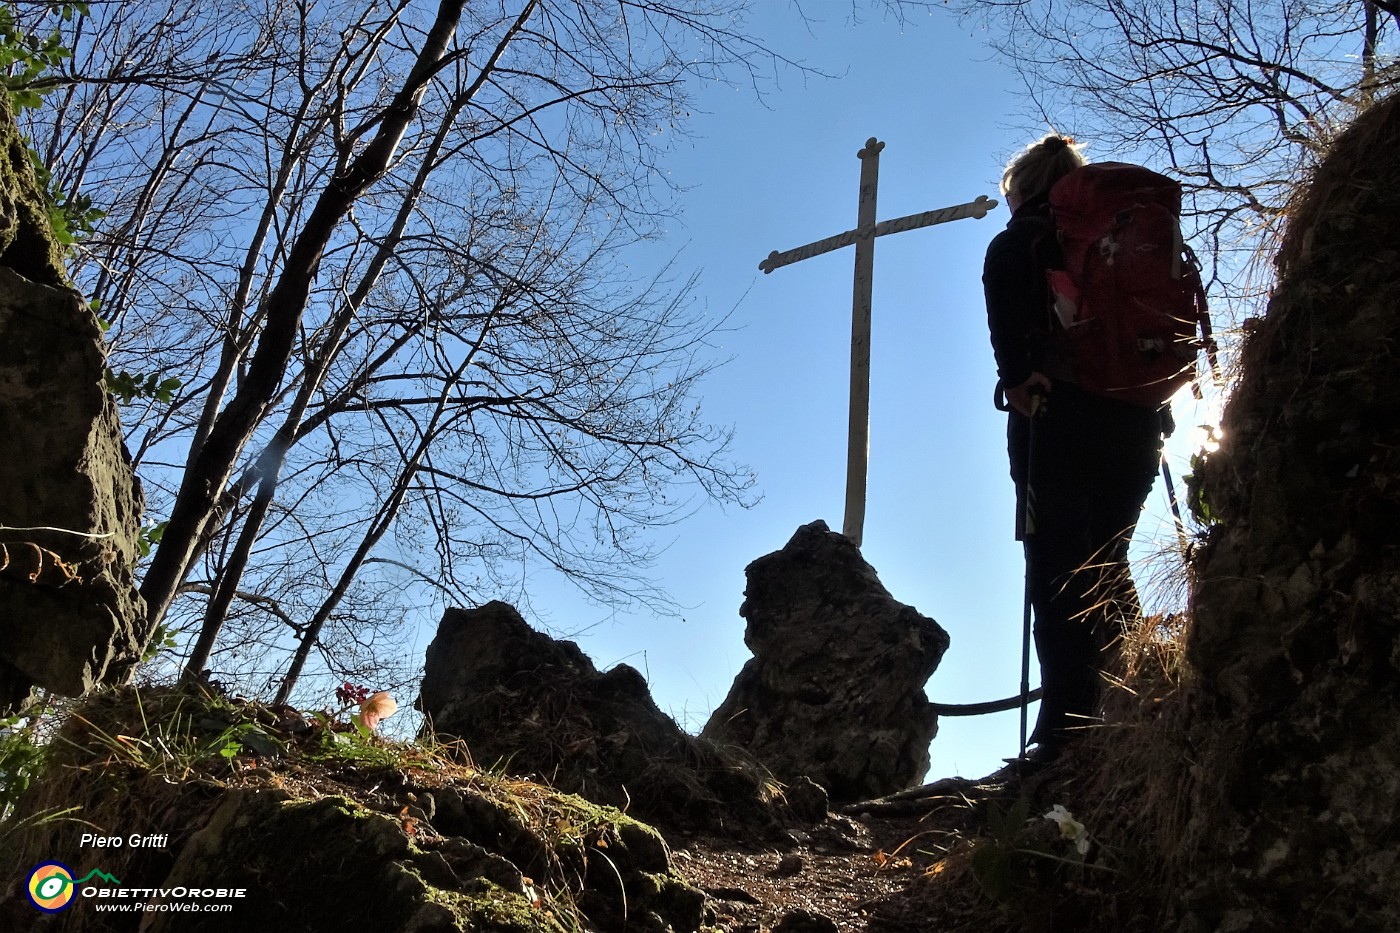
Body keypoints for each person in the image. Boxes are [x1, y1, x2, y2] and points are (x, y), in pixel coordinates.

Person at [983, 134, 1166, 762]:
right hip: (1137, 423)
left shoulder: (1021, 240)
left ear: (1023, 188)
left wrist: (1018, 374)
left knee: (1056, 571)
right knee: (1108, 561)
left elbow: (1010, 323)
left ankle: (1064, 735)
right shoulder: (1115, 235)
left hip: (1055, 422)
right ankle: (1133, 704)